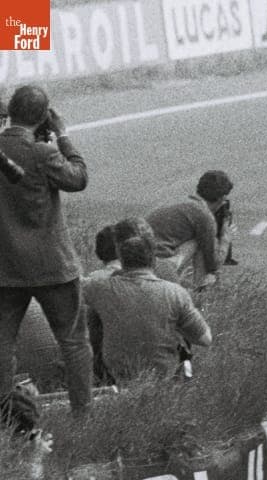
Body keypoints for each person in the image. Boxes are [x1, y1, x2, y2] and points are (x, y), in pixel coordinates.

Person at [0, 84, 93, 414]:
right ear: (44, 119)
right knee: (74, 342)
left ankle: (6, 418)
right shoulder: (44, 153)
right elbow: (78, 178)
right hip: (52, 265)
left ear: (9, 111)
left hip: (6, 268)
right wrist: (63, 137)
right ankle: (83, 414)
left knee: (2, 344)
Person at [82, 227, 212, 384]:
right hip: (164, 378)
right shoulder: (176, 293)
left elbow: (71, 288)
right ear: (153, 260)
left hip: (114, 376)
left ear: (122, 260)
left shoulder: (100, 288)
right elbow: (205, 339)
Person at [145, 170, 234, 290]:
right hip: (159, 264)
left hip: (138, 258)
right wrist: (225, 238)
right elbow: (214, 263)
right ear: (221, 198)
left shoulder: (179, 202)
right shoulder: (204, 215)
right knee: (201, 242)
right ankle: (200, 292)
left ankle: (194, 287)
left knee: (197, 240)